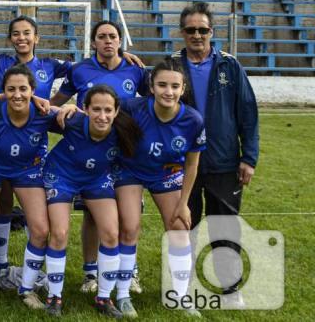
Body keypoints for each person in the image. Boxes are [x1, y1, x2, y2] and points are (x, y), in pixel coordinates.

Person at [50, 20, 149, 296]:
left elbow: (152, 103)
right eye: (102, 36)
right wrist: (65, 109)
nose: (108, 41)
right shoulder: (79, 69)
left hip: (125, 153)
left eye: (113, 36)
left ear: (120, 41)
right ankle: (90, 272)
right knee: (94, 216)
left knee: (130, 216)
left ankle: (130, 271)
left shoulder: (136, 70)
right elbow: (57, 100)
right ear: (94, 41)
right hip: (91, 153)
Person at [171, 2, 258, 307]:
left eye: (203, 30)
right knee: (185, 226)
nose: (197, 35)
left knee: (225, 225)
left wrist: (249, 157)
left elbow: (248, 113)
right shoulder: (171, 66)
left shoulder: (230, 66)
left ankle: (231, 289)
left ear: (212, 32)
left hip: (223, 161)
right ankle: (186, 289)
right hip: (181, 164)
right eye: (191, 29)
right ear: (182, 32)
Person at [105, 58, 205, 318]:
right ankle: (124, 294)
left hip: (166, 174)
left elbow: (192, 166)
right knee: (130, 227)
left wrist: (183, 203)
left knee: (180, 227)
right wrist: (67, 111)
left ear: (183, 89)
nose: (168, 92)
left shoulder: (193, 120)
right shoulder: (131, 107)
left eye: (174, 86)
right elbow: (100, 110)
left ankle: (181, 296)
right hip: (130, 170)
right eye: (162, 85)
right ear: (151, 86)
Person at [42, 85, 141, 318]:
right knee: (59, 232)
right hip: (61, 176)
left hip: (96, 180)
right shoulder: (72, 120)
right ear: (85, 108)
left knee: (110, 233)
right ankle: (54, 296)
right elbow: (36, 109)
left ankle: (103, 298)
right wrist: (63, 107)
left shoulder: (124, 129)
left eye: (108, 110)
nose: (102, 116)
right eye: (96, 109)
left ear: (117, 112)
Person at [0, 64, 54, 310]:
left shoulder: (44, 113)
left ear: (33, 91)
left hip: (27, 170)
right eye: (11, 89)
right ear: (3, 91)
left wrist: (69, 109)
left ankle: (27, 290)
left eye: (23, 89)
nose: (17, 94)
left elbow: (76, 119)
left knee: (39, 230)